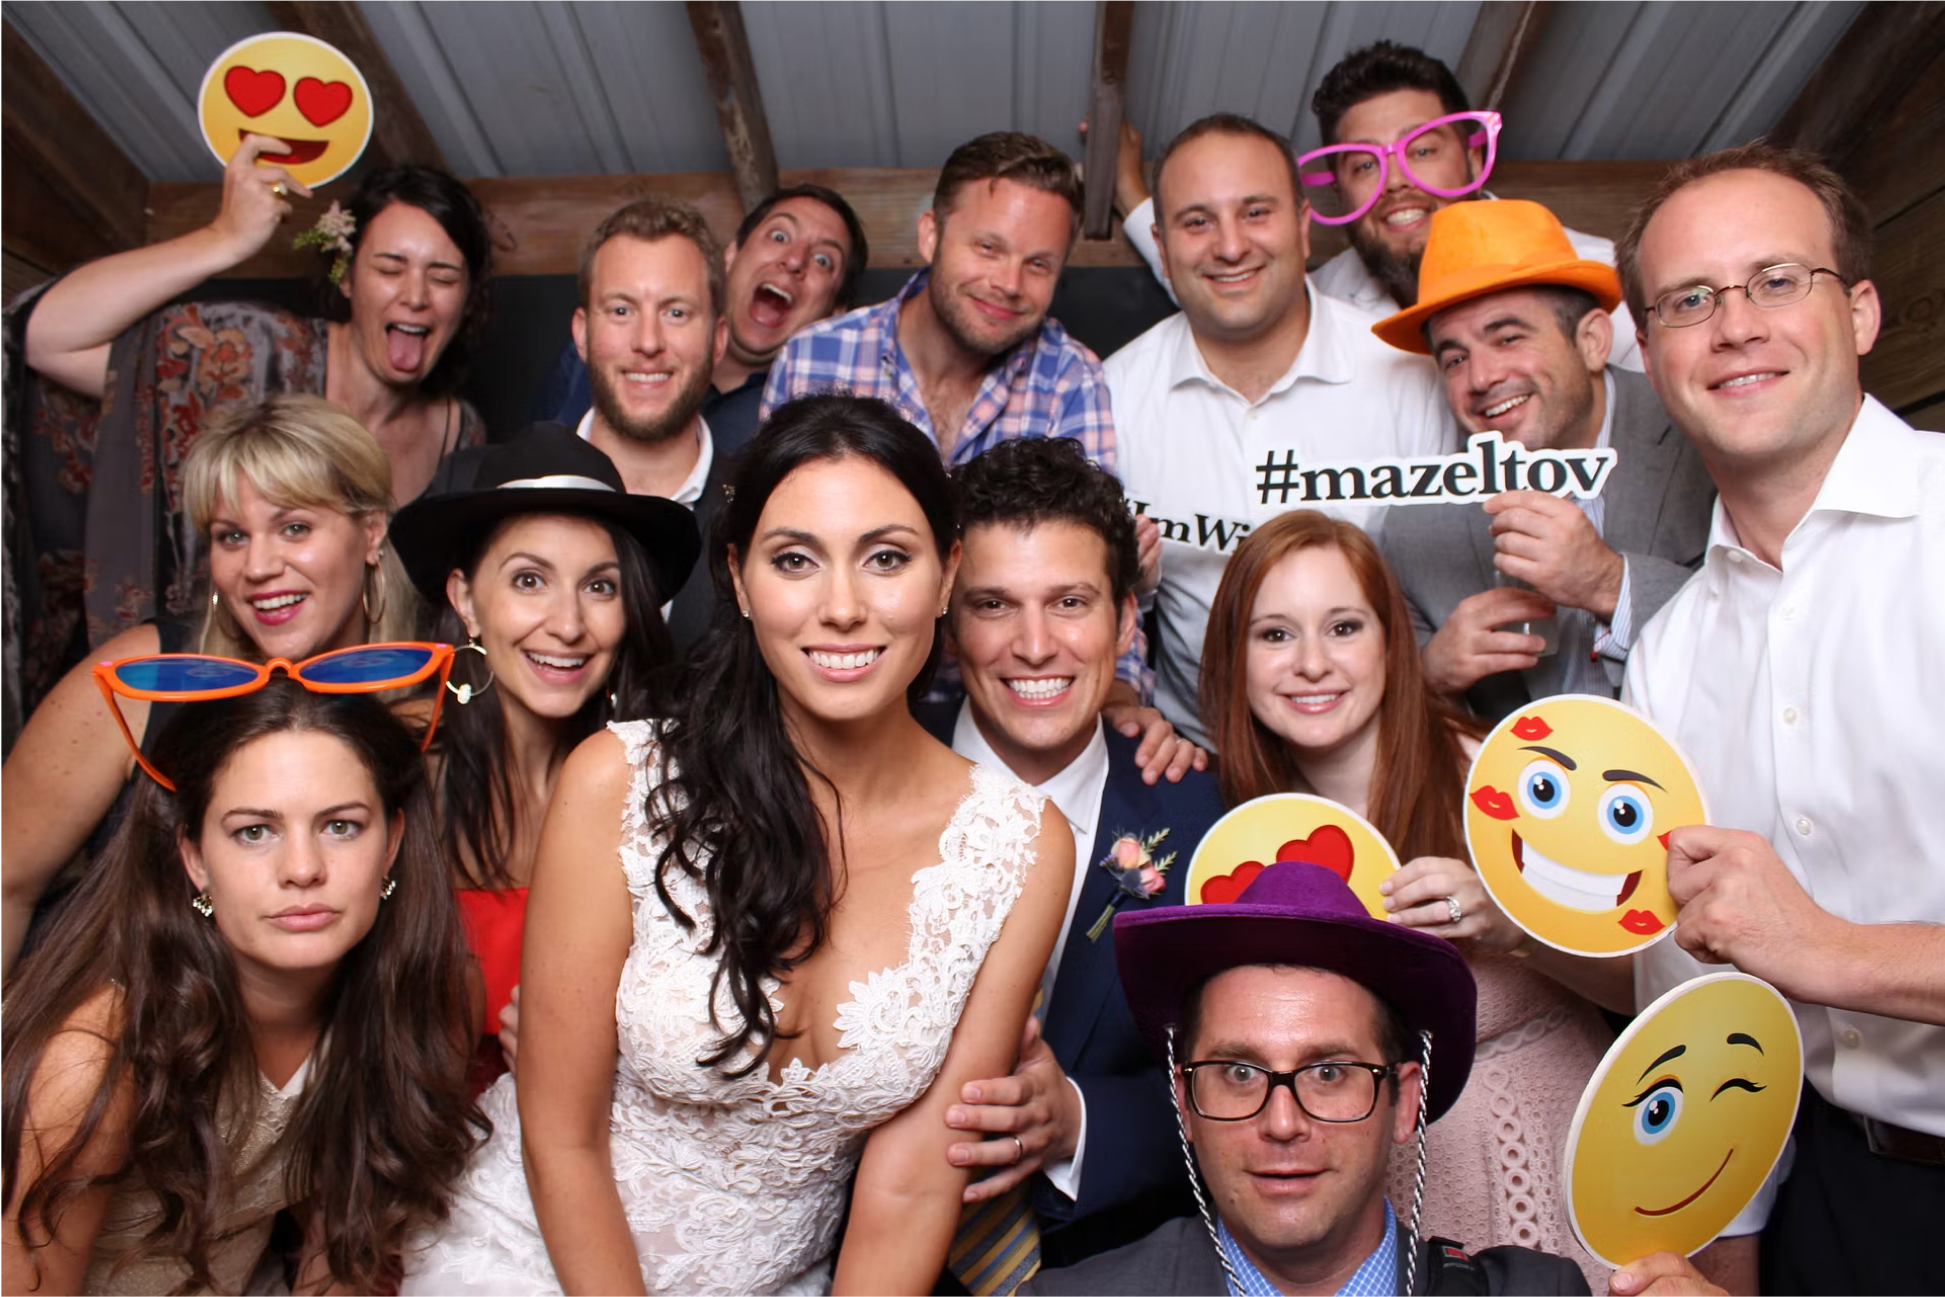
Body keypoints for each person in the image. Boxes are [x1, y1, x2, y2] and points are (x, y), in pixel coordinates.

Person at [400, 395, 1072, 1294]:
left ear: (947, 573)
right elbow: (561, 1133)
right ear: (740, 577)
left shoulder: (1021, 847)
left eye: (886, 558)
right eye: (795, 560)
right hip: (537, 1257)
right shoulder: (619, 781)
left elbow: (911, 1187)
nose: (842, 607)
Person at [1616, 142, 1945, 1295]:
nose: (1734, 325)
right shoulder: (1665, 659)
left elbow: (1793, 953)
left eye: (1774, 280)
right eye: (1690, 300)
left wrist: (1830, 952)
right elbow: (1694, 1002)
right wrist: (1730, 1253)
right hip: (1832, 1207)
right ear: (1653, 356)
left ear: (1858, 311)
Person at [1196, 509, 1623, 1289]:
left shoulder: (1501, 781)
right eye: (1275, 635)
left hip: (1564, 1166)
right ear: (1235, 658)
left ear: (1392, 640)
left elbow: (1642, 986)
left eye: (1344, 627)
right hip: (1358, 1205)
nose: (1312, 664)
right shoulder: (1236, 829)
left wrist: (1517, 921)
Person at [1021, 860, 1732, 1295]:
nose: (1281, 1121)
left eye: (1328, 1071)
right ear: (1184, 1102)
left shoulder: (1539, 1292)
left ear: (1405, 1100)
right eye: (1238, 1071)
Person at [1, 672, 481, 1295]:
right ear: (195, 858)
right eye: (255, 831)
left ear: (391, 842)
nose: (303, 869)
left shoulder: (423, 1003)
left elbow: (336, 1261)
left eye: (341, 826)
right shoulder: (98, 1056)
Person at [10, 150, 491, 702]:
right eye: (389, 268)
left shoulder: (464, 435)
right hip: (192, 693)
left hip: (354, 715)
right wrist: (223, 238)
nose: (414, 295)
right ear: (348, 278)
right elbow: (44, 337)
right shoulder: (246, 353)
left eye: (444, 276)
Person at [916, 436, 1225, 1283]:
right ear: (946, 621)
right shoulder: (855, 800)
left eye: (1069, 602)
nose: (1034, 644)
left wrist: (1079, 1123)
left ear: (1126, 618)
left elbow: (1248, 1087)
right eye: (992, 605)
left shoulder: (1200, 817)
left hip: (1127, 1264)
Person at [1, 394, 417, 975]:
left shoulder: (420, 702)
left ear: (371, 533)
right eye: (232, 536)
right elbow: (6, 883)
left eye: (293, 527)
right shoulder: (141, 680)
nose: (258, 566)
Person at [1106, 113, 1453, 748]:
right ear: (1161, 243)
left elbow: (1443, 588)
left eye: (1256, 212)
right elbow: (1106, 601)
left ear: (1302, 224)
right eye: (1197, 221)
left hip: (1389, 751)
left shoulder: (1408, 374)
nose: (1230, 245)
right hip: (1201, 766)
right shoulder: (1112, 396)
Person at [388, 426, 697, 1082]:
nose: (566, 624)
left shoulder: (660, 785)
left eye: (600, 587)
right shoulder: (393, 763)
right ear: (466, 600)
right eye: (529, 580)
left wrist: (616, 1044)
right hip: (409, 1139)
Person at [1372, 200, 1714, 720]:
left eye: (1508, 338)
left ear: (1593, 342)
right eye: (1456, 358)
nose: (1481, 378)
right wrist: (1431, 675)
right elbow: (1394, 720)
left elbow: (1786, 625)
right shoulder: (1417, 525)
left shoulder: (1706, 440)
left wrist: (1609, 584)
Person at [1102, 44, 1641, 371]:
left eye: (1423, 150)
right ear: (1337, 190)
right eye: (1364, 165)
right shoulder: (1330, 298)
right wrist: (1133, 197)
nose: (1396, 182)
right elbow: (1231, 286)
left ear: (1474, 157)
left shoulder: (1598, 277)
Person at [761, 132, 1115, 472]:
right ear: (931, 237)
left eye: (1038, 264)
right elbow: (775, 521)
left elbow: (1082, 533)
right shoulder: (813, 357)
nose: (1009, 284)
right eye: (988, 248)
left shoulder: (1071, 378)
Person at [531, 183, 870, 451]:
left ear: (835, 312)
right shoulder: (598, 353)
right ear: (732, 254)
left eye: (824, 260)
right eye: (779, 236)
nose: (795, 260)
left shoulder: (801, 417)